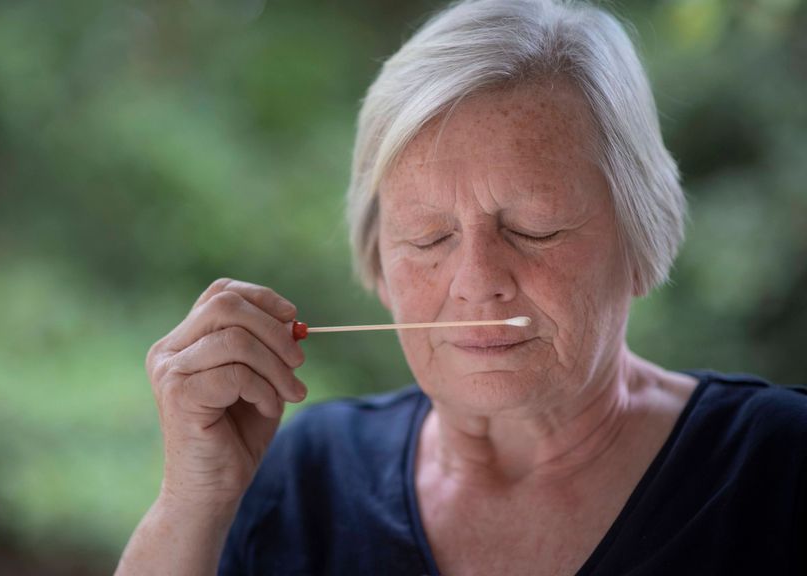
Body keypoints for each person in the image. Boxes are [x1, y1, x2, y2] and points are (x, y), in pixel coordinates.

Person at [117, 0, 807, 573]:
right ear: (380, 263)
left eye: (535, 228)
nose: (478, 282)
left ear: (638, 239)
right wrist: (190, 502)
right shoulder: (307, 478)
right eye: (428, 237)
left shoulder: (779, 466)